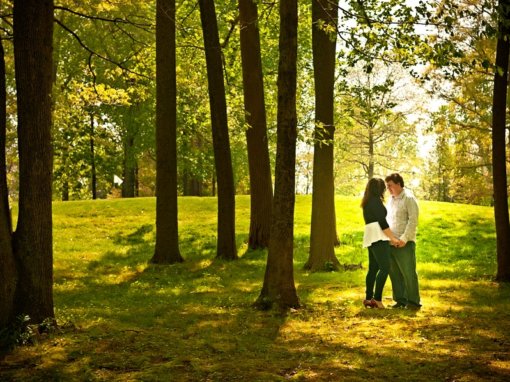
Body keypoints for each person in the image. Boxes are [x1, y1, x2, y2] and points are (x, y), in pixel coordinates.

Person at [361, 178, 400, 309]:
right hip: (378, 236)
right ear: (379, 189)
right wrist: (393, 238)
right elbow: (382, 223)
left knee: (373, 268)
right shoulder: (375, 202)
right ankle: (377, 299)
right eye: (383, 188)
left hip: (370, 236)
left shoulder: (367, 201)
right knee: (385, 267)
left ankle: (368, 298)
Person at [385, 173, 421, 310]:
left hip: (405, 243)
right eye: (387, 186)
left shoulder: (409, 199)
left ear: (399, 184)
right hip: (391, 242)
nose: (388, 189)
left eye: (390, 186)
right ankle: (400, 300)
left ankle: (413, 302)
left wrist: (404, 239)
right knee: (394, 273)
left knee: (408, 273)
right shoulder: (391, 200)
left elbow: (413, 222)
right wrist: (389, 239)